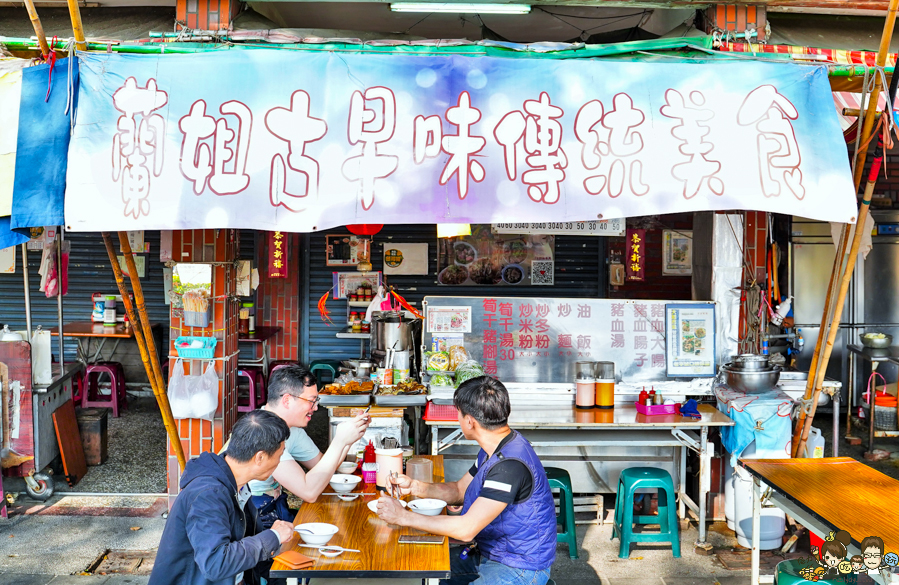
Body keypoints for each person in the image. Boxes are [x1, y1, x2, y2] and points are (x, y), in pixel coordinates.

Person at [377, 376, 556, 585]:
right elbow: (459, 490)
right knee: (427, 570)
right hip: (492, 552)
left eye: (459, 414)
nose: (458, 419)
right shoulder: (494, 447)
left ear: (470, 421)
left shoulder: (509, 466)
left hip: (519, 566)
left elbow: (465, 529)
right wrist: (414, 486)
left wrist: (402, 517)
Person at [148, 410, 294, 585]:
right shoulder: (208, 495)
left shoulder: (236, 484)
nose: (280, 461)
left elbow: (253, 548)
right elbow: (216, 563)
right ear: (260, 457)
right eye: (280, 454)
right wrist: (274, 536)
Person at [245, 364, 370, 519]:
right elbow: (308, 492)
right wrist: (339, 440)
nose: (316, 408)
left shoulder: (291, 429)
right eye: (311, 400)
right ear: (287, 400)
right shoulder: (262, 432)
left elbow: (324, 467)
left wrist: (348, 439)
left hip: (274, 507)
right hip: (251, 518)